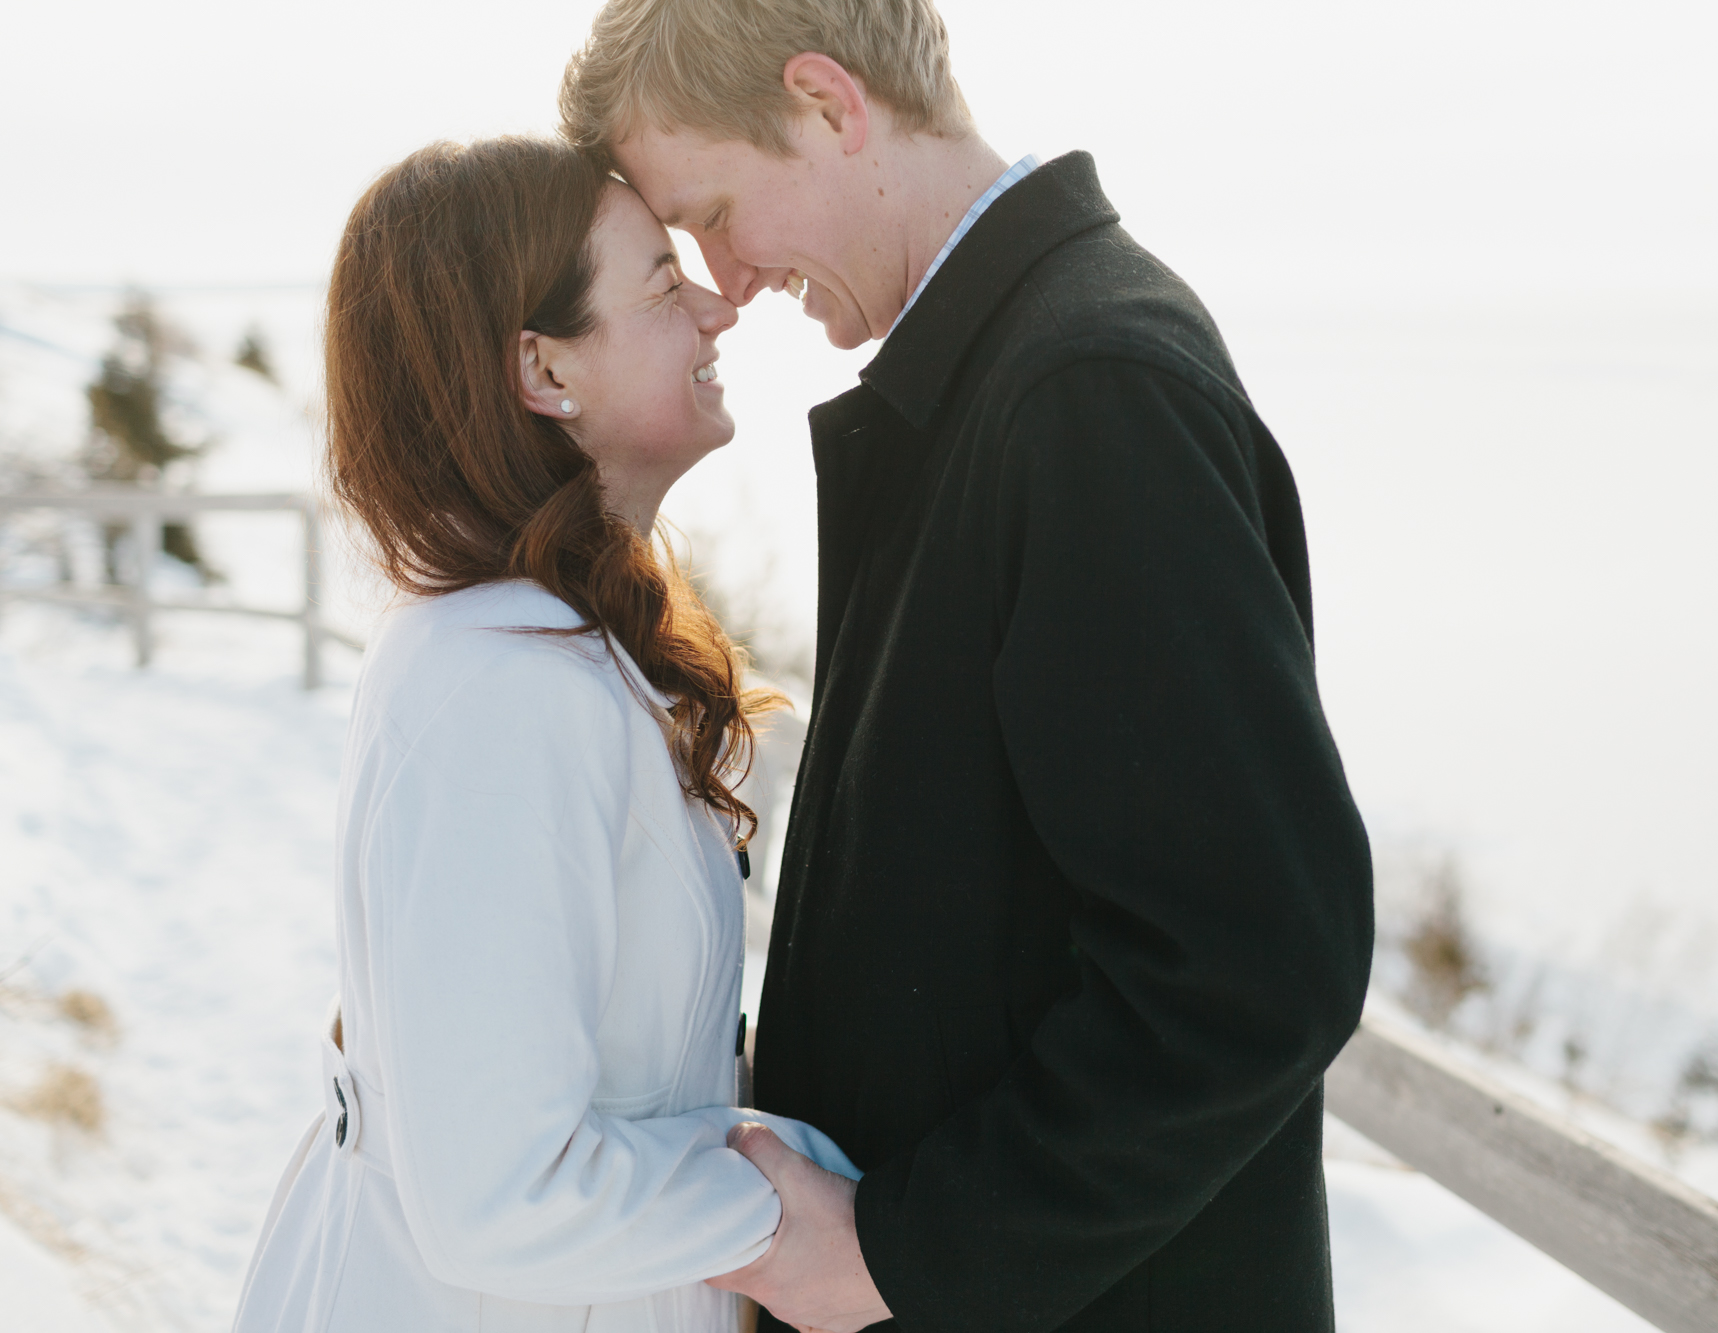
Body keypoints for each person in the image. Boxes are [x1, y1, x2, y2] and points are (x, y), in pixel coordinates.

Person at [558, 3, 1377, 1331]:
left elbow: (1253, 963)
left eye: (712, 210)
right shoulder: (1007, 378)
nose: (727, 279)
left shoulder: (1086, 387)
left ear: (828, 106)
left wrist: (902, 1252)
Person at [231, 136, 858, 1333]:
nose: (718, 311)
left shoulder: (531, 646)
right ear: (540, 367)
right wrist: (782, 1221)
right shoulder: (507, 684)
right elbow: (499, 1191)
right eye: (663, 285)